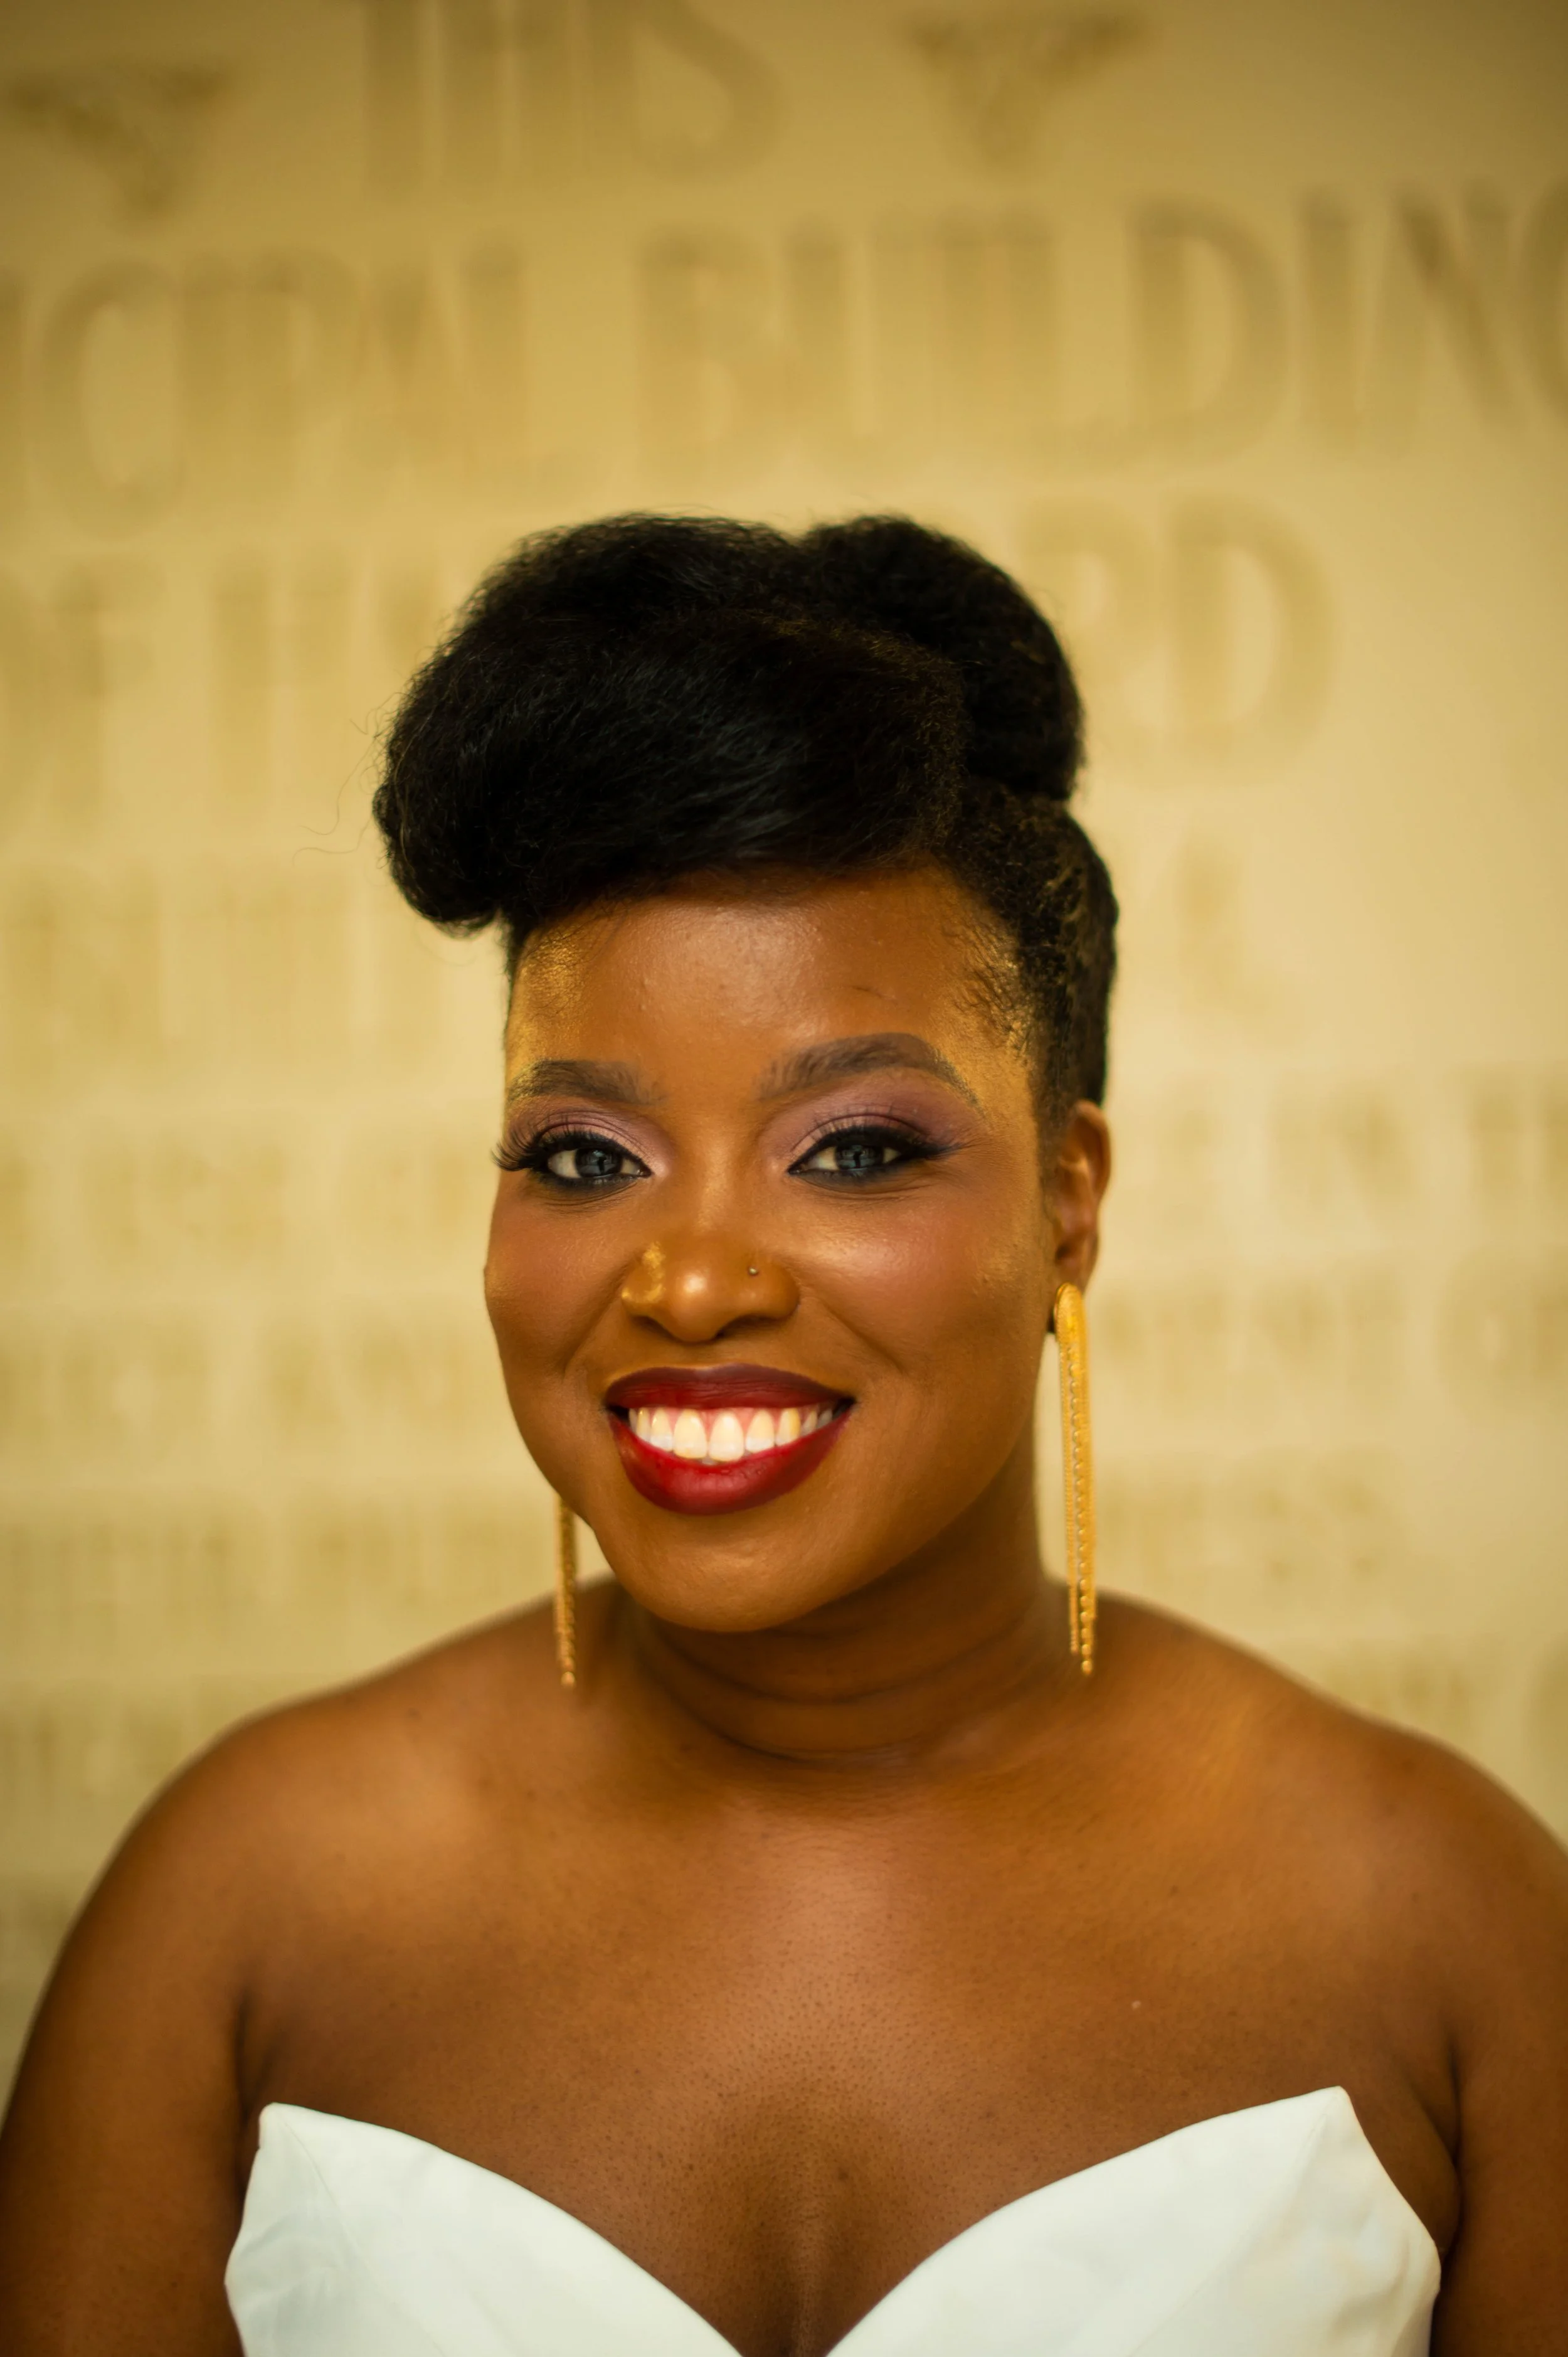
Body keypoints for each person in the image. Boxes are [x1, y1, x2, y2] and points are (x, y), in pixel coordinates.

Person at [1, 515, 1564, 2357]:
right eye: (583, 1156)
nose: (686, 1279)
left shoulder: (1448, 1926)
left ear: (1069, 1199)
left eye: (855, 1147)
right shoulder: (240, 1907)